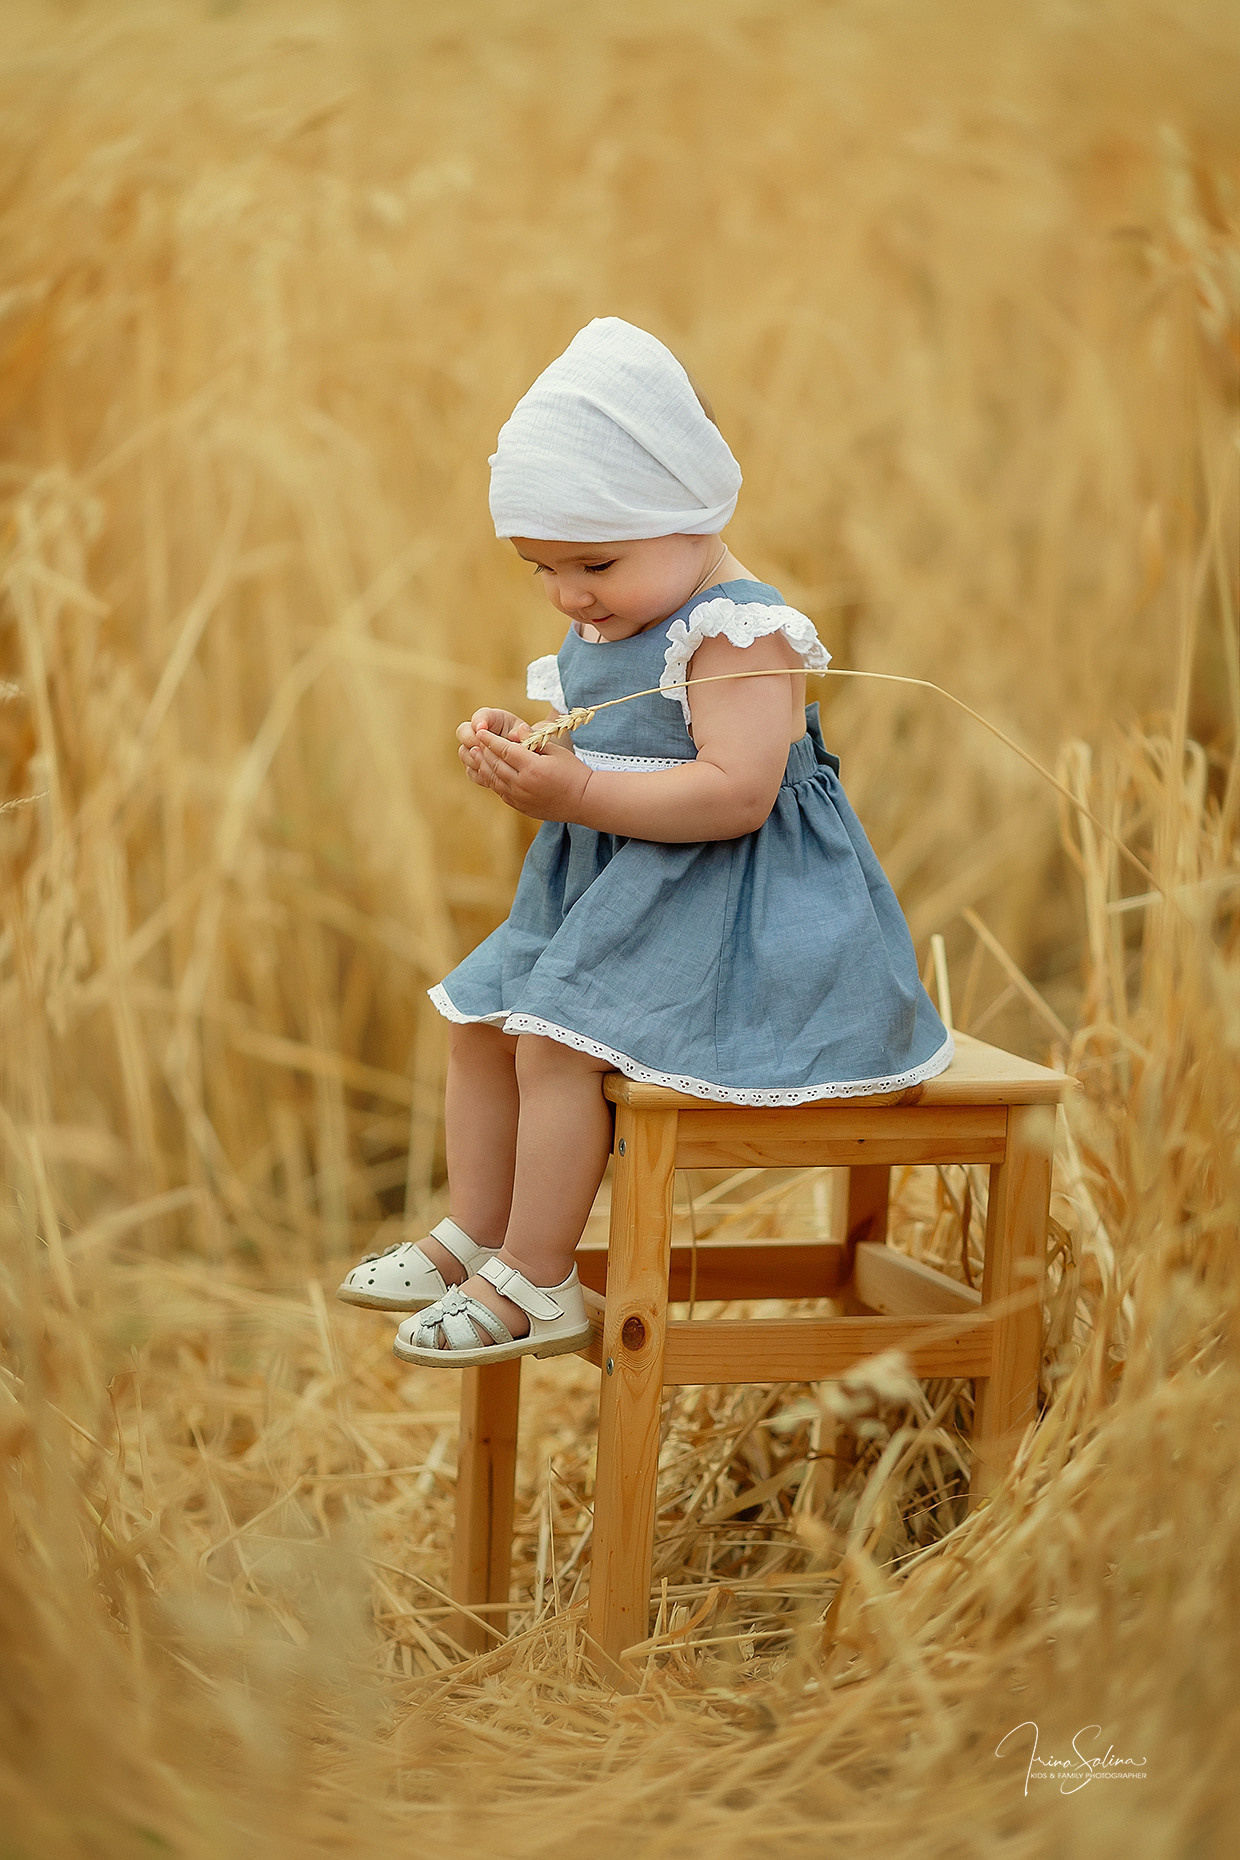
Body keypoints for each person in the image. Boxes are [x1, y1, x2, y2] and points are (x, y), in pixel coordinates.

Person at [337, 317, 952, 1366]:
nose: (569, 594)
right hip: (621, 895)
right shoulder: (613, 617)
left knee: (556, 1044)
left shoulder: (738, 635)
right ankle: (479, 1233)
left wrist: (571, 789)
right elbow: (617, 749)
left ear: (692, 511)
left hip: (742, 920)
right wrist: (531, 756)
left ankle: (542, 1279)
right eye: (540, 568)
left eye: (593, 562)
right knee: (479, 1017)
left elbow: (735, 797)